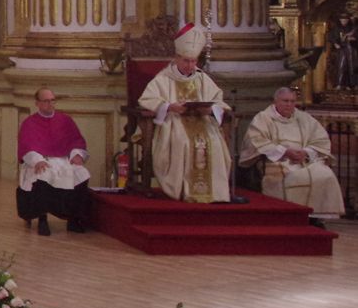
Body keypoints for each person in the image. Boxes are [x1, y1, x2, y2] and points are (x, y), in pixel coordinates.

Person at [137, 22, 233, 203]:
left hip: (203, 121)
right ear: (176, 58)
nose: (191, 65)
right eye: (186, 61)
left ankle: (216, 193)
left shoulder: (202, 78)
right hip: (174, 122)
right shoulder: (164, 78)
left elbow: (219, 100)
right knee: (183, 141)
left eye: (194, 61)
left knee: (214, 142)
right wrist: (169, 106)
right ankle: (183, 190)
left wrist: (211, 109)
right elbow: (147, 100)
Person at [241, 86, 345, 222]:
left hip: (305, 161)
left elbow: (321, 140)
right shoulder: (263, 118)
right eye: (285, 101)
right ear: (276, 101)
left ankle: (315, 217)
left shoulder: (305, 118)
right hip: (277, 162)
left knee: (326, 175)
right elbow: (256, 141)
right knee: (295, 177)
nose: (289, 104)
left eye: (292, 101)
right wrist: (285, 152)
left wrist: (306, 153)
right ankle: (289, 217)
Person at [16, 88, 91, 235]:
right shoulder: (29, 123)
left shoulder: (65, 120)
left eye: (52, 100)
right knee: (43, 174)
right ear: (37, 103)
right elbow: (27, 146)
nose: (50, 104)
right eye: (46, 101)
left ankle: (74, 219)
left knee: (82, 173)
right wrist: (37, 160)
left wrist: (77, 154)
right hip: (41, 160)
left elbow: (76, 140)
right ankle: (42, 219)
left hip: (64, 160)